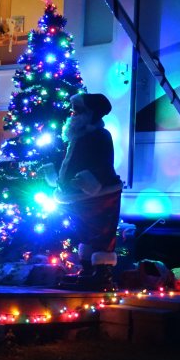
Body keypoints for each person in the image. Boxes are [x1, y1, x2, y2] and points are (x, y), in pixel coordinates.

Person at [43, 93, 123, 286]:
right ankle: (88, 271)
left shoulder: (100, 135)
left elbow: (104, 164)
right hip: (80, 196)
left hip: (100, 194)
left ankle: (102, 274)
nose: (73, 113)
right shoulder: (78, 136)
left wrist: (87, 180)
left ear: (92, 113)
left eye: (78, 109)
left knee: (101, 232)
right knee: (85, 232)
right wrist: (57, 176)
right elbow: (70, 162)